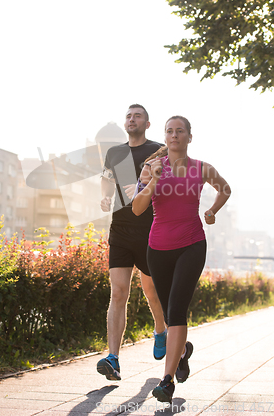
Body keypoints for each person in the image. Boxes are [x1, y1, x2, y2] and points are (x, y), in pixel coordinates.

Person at [132, 115, 231, 403]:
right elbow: (138, 209)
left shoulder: (202, 168)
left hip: (191, 244)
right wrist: (153, 183)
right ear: (165, 137)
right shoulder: (151, 168)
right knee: (167, 311)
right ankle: (183, 350)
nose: (174, 135)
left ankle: (167, 381)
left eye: (180, 131)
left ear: (189, 137)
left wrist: (212, 212)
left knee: (176, 311)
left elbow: (225, 189)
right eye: (169, 131)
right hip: (158, 249)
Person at [97, 104, 166, 381]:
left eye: (137, 116)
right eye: (128, 115)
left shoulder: (159, 150)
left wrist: (142, 187)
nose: (132, 119)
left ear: (147, 124)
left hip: (150, 229)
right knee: (118, 293)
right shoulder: (114, 152)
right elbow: (106, 180)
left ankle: (160, 330)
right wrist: (104, 196)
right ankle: (113, 358)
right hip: (121, 230)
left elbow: (168, 184)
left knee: (151, 291)